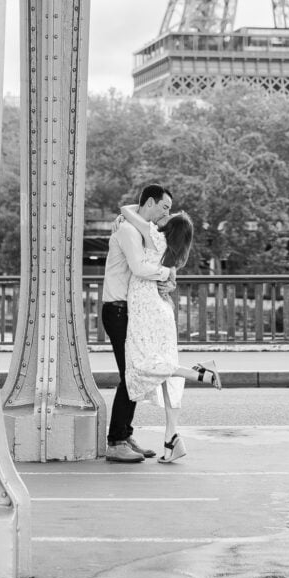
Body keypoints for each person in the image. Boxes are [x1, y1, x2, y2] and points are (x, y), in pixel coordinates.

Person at [120, 203, 222, 465]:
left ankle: (199, 373)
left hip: (147, 310)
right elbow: (170, 279)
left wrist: (154, 208)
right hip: (163, 311)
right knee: (168, 377)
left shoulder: (155, 237)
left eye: (169, 215)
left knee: (142, 364)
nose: (164, 216)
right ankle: (171, 438)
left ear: (170, 227)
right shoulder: (174, 254)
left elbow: (126, 208)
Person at [101, 184, 175, 463]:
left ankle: (125, 433)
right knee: (131, 373)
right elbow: (140, 268)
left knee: (135, 372)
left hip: (127, 311)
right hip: (118, 310)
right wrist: (168, 272)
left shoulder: (135, 225)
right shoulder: (128, 230)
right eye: (164, 207)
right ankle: (116, 441)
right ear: (151, 203)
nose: (166, 213)